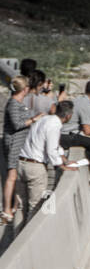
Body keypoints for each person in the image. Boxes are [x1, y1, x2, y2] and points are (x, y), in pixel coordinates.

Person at [16, 100, 79, 226]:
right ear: (68, 116)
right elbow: (51, 149)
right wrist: (61, 165)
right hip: (36, 167)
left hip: (21, 163)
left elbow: (54, 145)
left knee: (20, 206)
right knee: (35, 206)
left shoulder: (43, 119)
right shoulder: (54, 125)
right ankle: (30, 243)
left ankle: (16, 240)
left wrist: (64, 159)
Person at [3, 76, 38, 223]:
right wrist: (34, 119)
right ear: (24, 89)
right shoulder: (13, 104)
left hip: (20, 145)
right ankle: (6, 209)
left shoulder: (19, 103)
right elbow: (17, 124)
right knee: (11, 176)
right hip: (13, 144)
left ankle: (15, 205)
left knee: (16, 177)